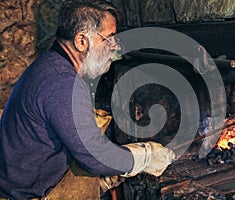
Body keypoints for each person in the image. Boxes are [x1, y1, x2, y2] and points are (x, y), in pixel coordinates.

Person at [0, 0, 175, 199]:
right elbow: (94, 156)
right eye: (109, 38)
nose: (115, 45)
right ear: (81, 41)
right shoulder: (61, 83)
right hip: (23, 194)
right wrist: (145, 157)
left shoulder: (51, 64)